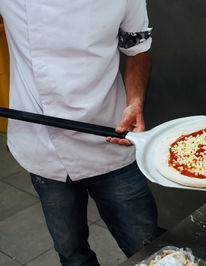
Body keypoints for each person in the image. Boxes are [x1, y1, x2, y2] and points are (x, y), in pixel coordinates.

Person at [0, 1, 159, 265]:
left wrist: (135, 102)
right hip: (43, 147)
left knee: (149, 251)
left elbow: (137, 50)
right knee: (72, 254)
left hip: (110, 136)